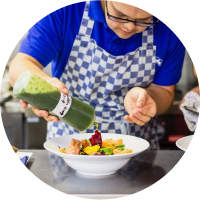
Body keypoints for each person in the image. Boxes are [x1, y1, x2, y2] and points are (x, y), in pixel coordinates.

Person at [9, 0, 186, 150]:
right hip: (69, 141)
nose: (130, 26)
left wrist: (150, 99)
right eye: (119, 15)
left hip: (136, 148)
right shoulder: (66, 11)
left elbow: (165, 91)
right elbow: (19, 66)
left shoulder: (169, 31)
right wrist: (45, 85)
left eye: (144, 20)